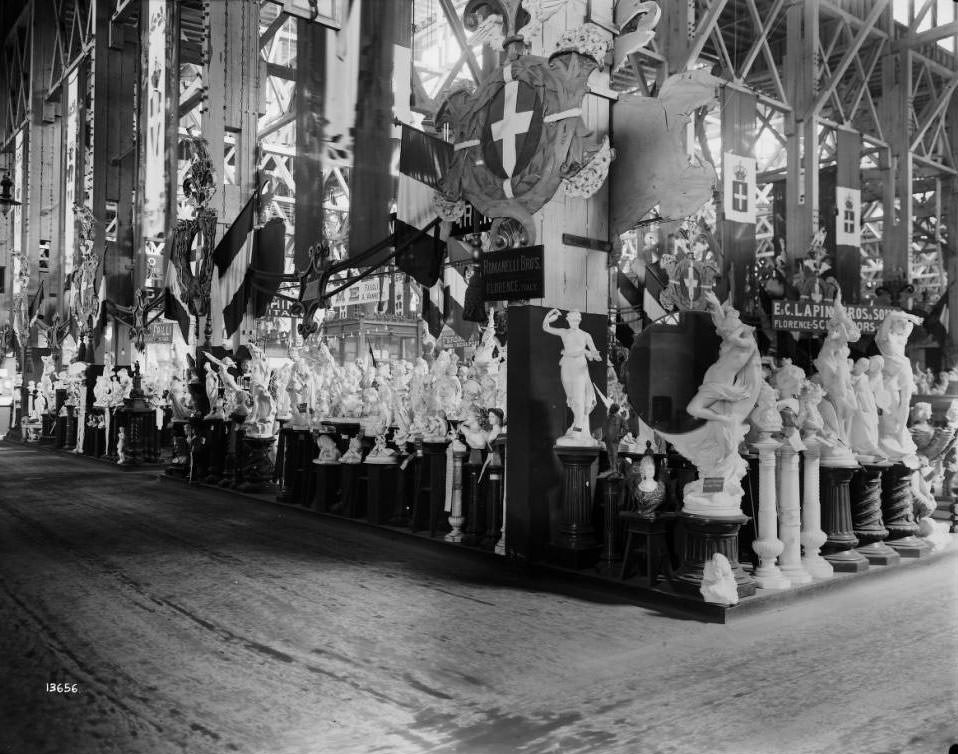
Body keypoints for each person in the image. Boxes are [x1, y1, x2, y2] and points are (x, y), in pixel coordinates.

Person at [542, 308, 601, 443]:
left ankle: (578, 429)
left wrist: (592, 354)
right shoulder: (564, 332)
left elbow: (595, 355)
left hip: (579, 366)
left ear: (579, 321)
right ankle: (577, 423)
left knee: (579, 397)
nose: (574, 322)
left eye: (577, 320)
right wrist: (550, 314)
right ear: (568, 320)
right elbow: (545, 327)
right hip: (567, 365)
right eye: (572, 320)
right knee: (572, 398)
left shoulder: (586, 335)